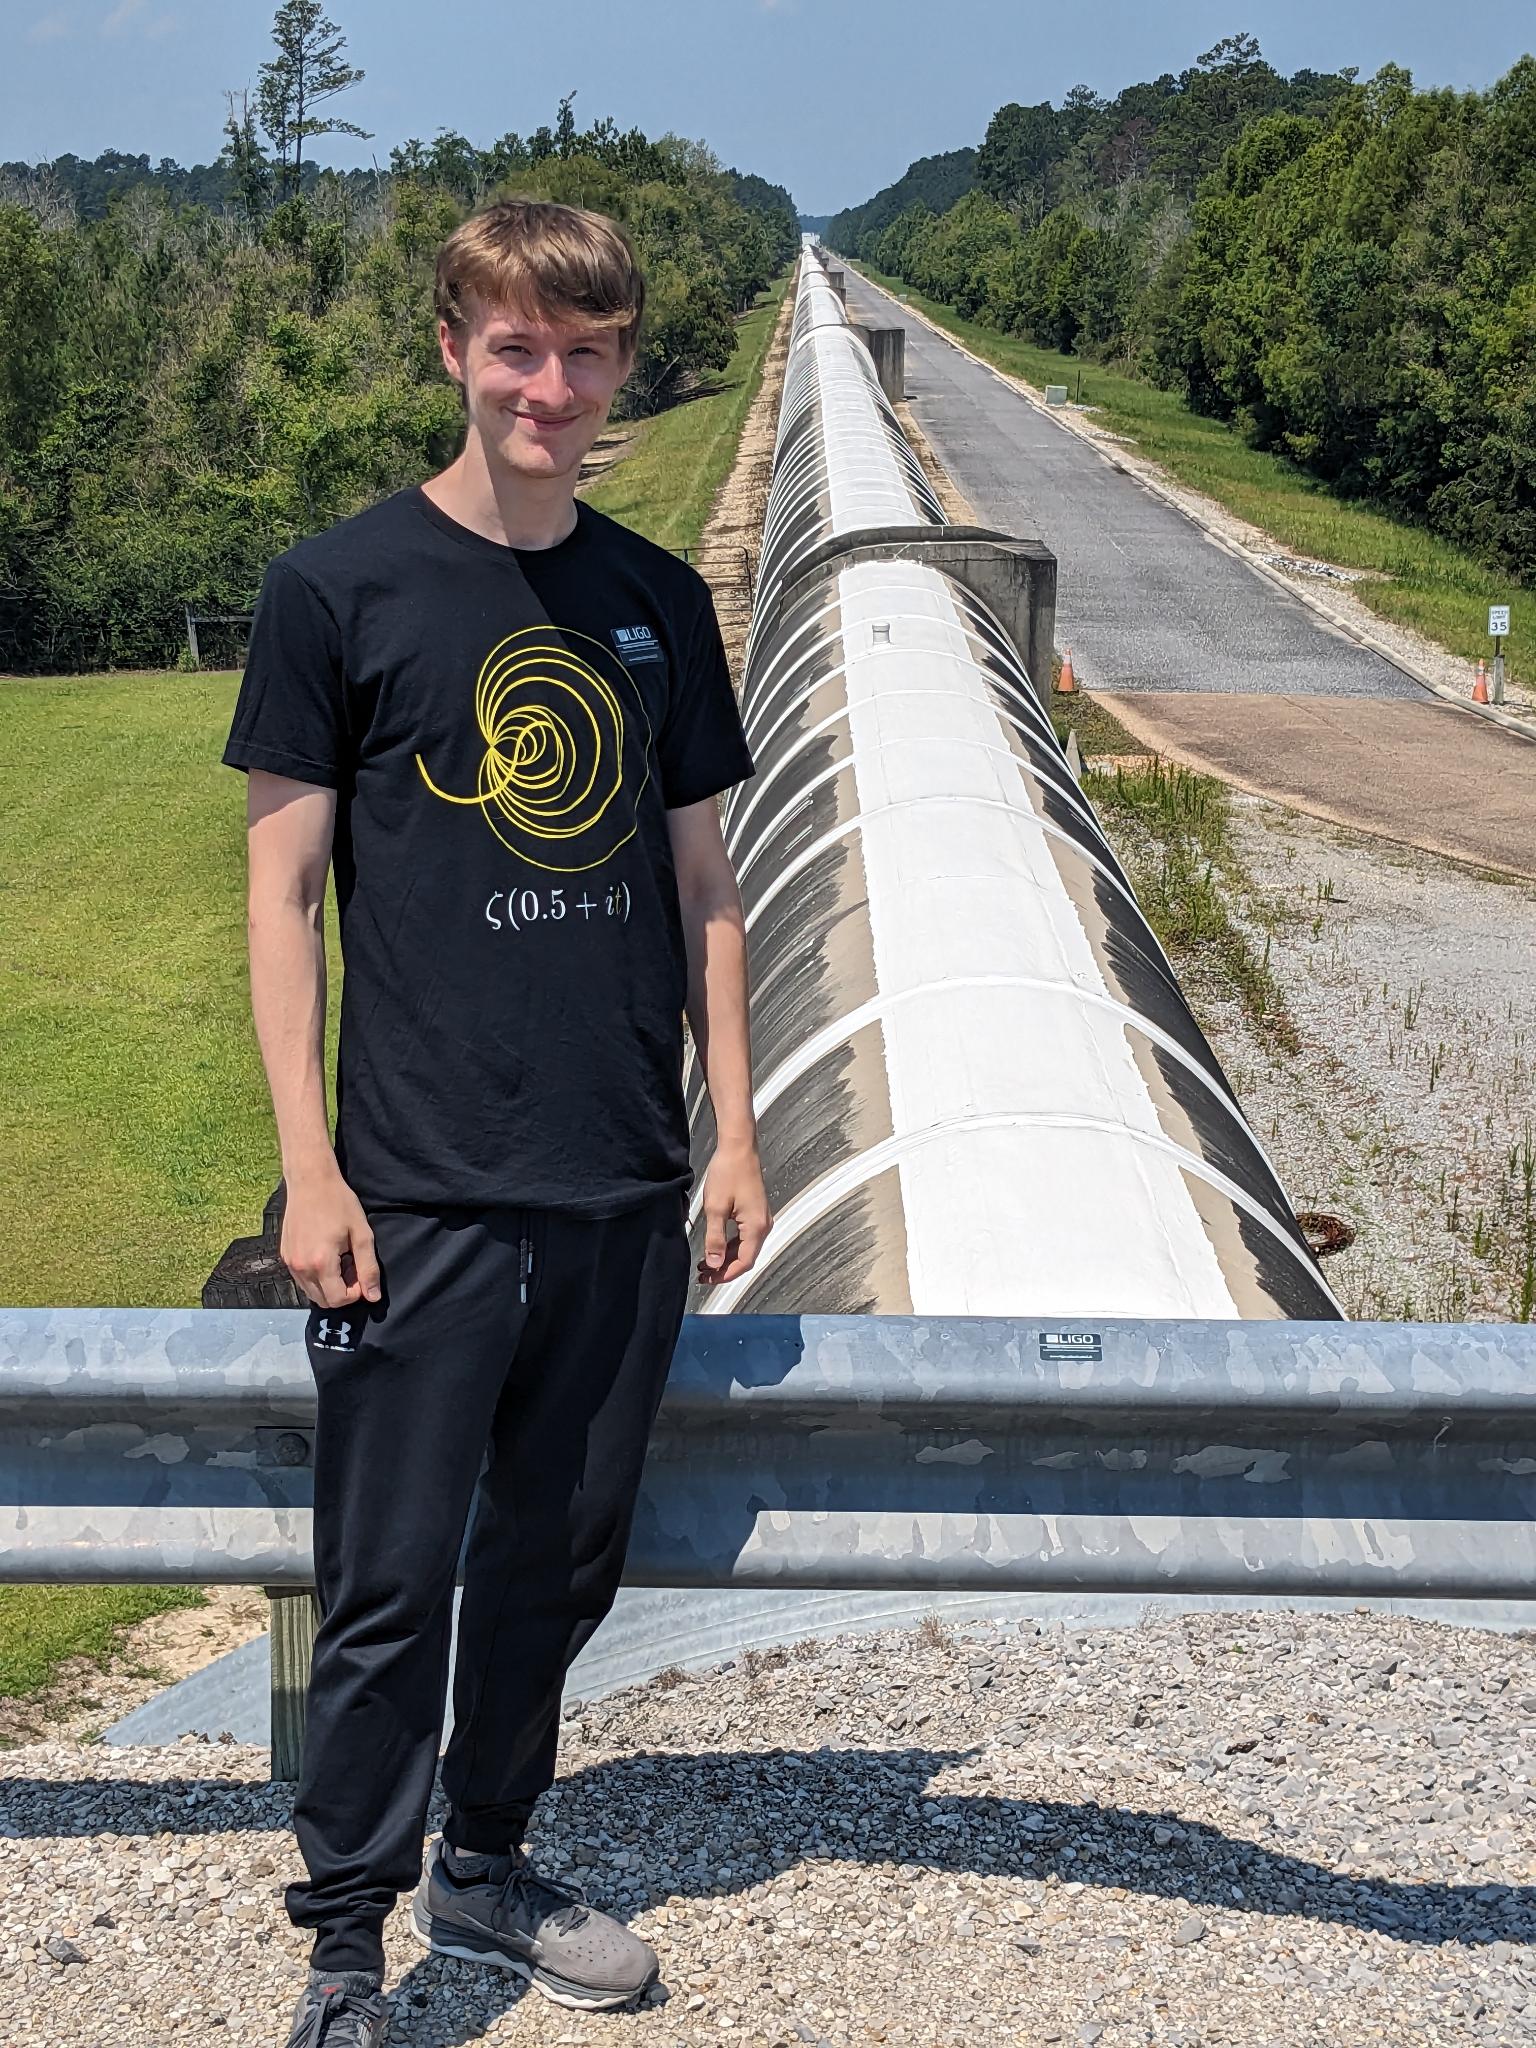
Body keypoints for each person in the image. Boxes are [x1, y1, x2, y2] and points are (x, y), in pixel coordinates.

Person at [222, 196, 771, 2048]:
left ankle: (492, 1859)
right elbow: (281, 899)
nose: (553, 384)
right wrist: (312, 1166)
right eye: (519, 347)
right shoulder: (338, 590)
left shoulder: (655, 600)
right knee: (386, 1584)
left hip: (619, 1176)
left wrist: (738, 1134)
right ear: (456, 350)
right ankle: (345, 1939)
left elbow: (706, 884)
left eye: (588, 350)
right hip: (420, 1185)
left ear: (625, 365)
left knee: (558, 1556)